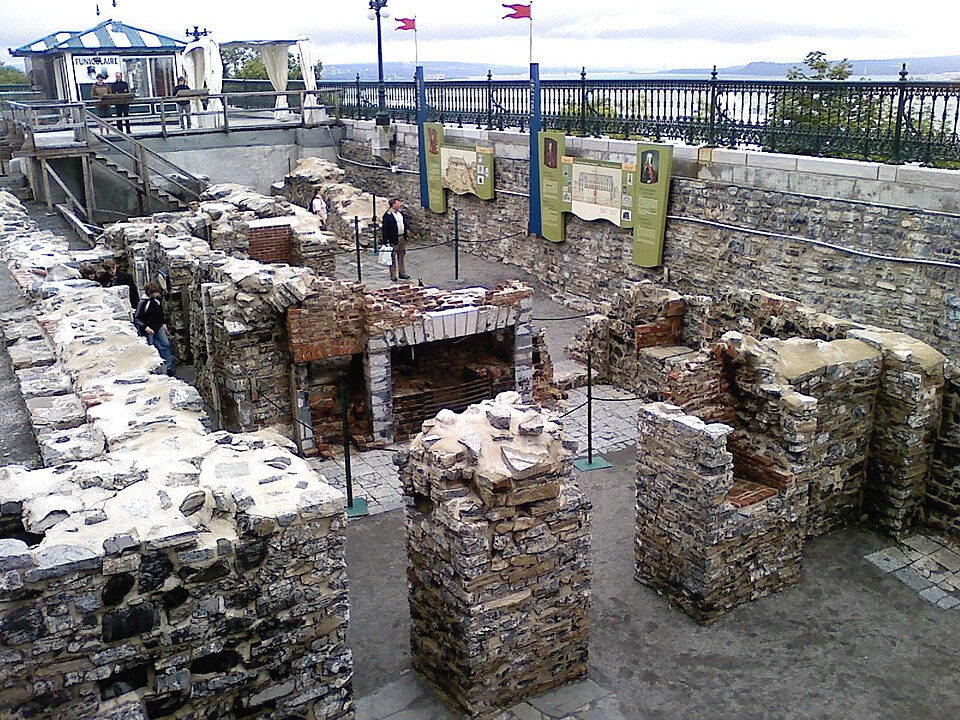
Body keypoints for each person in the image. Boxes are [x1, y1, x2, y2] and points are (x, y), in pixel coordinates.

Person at [134, 282, 175, 376]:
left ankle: (169, 367)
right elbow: (137, 318)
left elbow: (160, 313)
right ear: (151, 292)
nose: (158, 294)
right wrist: (145, 327)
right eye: (156, 292)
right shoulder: (143, 303)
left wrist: (163, 324)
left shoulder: (157, 300)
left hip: (158, 327)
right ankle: (156, 369)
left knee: (165, 345)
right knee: (152, 348)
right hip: (148, 330)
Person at [381, 197, 409, 281]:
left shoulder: (400, 213)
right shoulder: (388, 215)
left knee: (401, 255)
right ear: (393, 205)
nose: (399, 205)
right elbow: (385, 229)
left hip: (402, 237)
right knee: (392, 257)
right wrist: (385, 241)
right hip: (393, 238)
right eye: (398, 203)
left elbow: (404, 223)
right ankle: (393, 274)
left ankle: (402, 272)